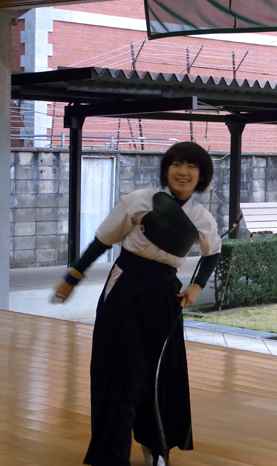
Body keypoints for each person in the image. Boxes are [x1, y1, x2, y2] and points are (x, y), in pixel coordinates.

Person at [52, 142, 222, 466]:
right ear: (166, 169)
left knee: (157, 373)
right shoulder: (138, 200)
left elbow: (213, 252)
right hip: (125, 288)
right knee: (121, 374)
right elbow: (102, 241)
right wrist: (72, 277)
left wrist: (197, 285)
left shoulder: (202, 218)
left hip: (165, 296)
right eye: (176, 164)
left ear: (201, 176)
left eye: (191, 166)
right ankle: (112, 455)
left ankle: (155, 445)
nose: (183, 172)